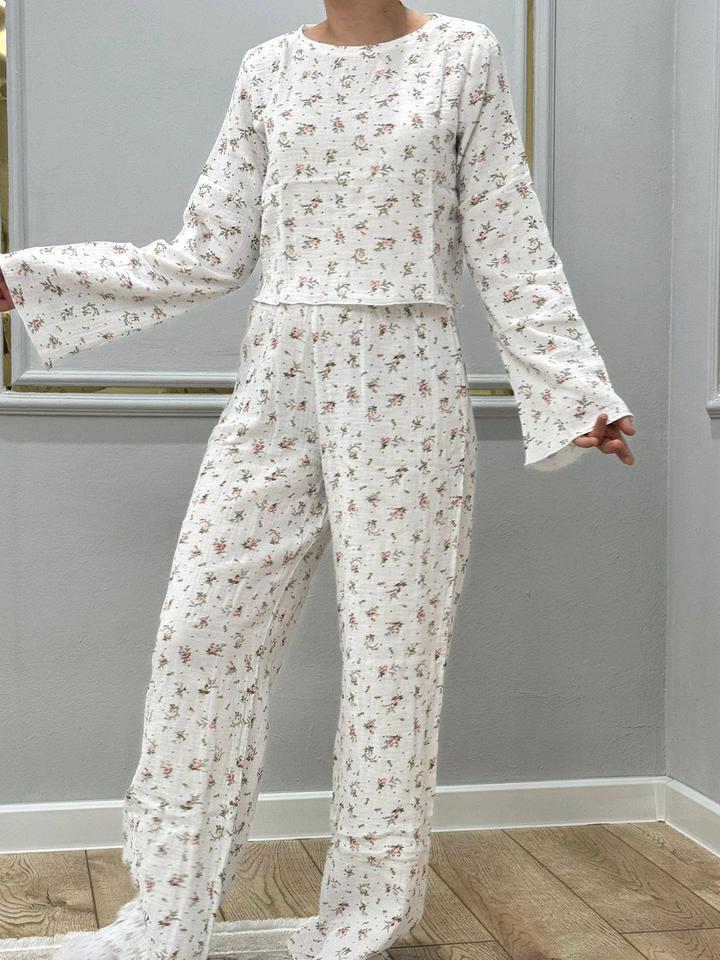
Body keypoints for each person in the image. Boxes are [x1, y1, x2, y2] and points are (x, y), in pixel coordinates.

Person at [0, 5, 636, 960]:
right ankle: (166, 917)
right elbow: (209, 251)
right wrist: (36, 279)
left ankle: (361, 922)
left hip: (407, 380)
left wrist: (574, 390)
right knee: (202, 632)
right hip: (278, 379)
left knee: (392, 662)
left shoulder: (463, 54)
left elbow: (508, 238)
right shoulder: (268, 68)